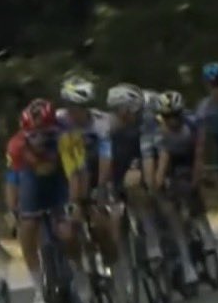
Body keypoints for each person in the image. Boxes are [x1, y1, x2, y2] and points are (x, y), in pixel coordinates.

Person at [5, 97, 89, 303]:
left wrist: (73, 204)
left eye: (45, 132)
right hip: (33, 185)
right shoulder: (16, 146)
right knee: (27, 228)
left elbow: (73, 175)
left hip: (60, 183)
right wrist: (12, 210)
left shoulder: (65, 137)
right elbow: (12, 183)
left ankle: (78, 271)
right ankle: (39, 289)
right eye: (33, 134)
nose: (39, 139)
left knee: (68, 232)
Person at [55, 76, 120, 278]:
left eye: (81, 107)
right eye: (71, 107)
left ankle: (110, 259)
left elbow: (105, 158)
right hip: (67, 176)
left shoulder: (101, 122)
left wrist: (100, 188)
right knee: (67, 230)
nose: (76, 112)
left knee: (100, 222)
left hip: (95, 173)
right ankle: (78, 266)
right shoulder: (57, 122)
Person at [104, 83, 164, 283]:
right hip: (115, 169)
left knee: (136, 187)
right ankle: (119, 262)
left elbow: (147, 153)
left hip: (139, 163)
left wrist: (143, 174)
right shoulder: (107, 128)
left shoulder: (143, 123)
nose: (135, 114)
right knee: (114, 215)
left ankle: (152, 239)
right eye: (132, 110)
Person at [151, 91, 205, 288]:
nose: (172, 120)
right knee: (171, 204)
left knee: (193, 192)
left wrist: (196, 180)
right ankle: (183, 257)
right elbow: (163, 160)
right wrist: (158, 183)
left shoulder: (192, 124)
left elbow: (199, 153)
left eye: (176, 115)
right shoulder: (159, 132)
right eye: (167, 117)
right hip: (171, 165)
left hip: (189, 160)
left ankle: (202, 229)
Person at [195, 62, 218, 183]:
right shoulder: (205, 107)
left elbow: (201, 143)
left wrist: (199, 167)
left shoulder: (204, 107)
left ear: (207, 84)